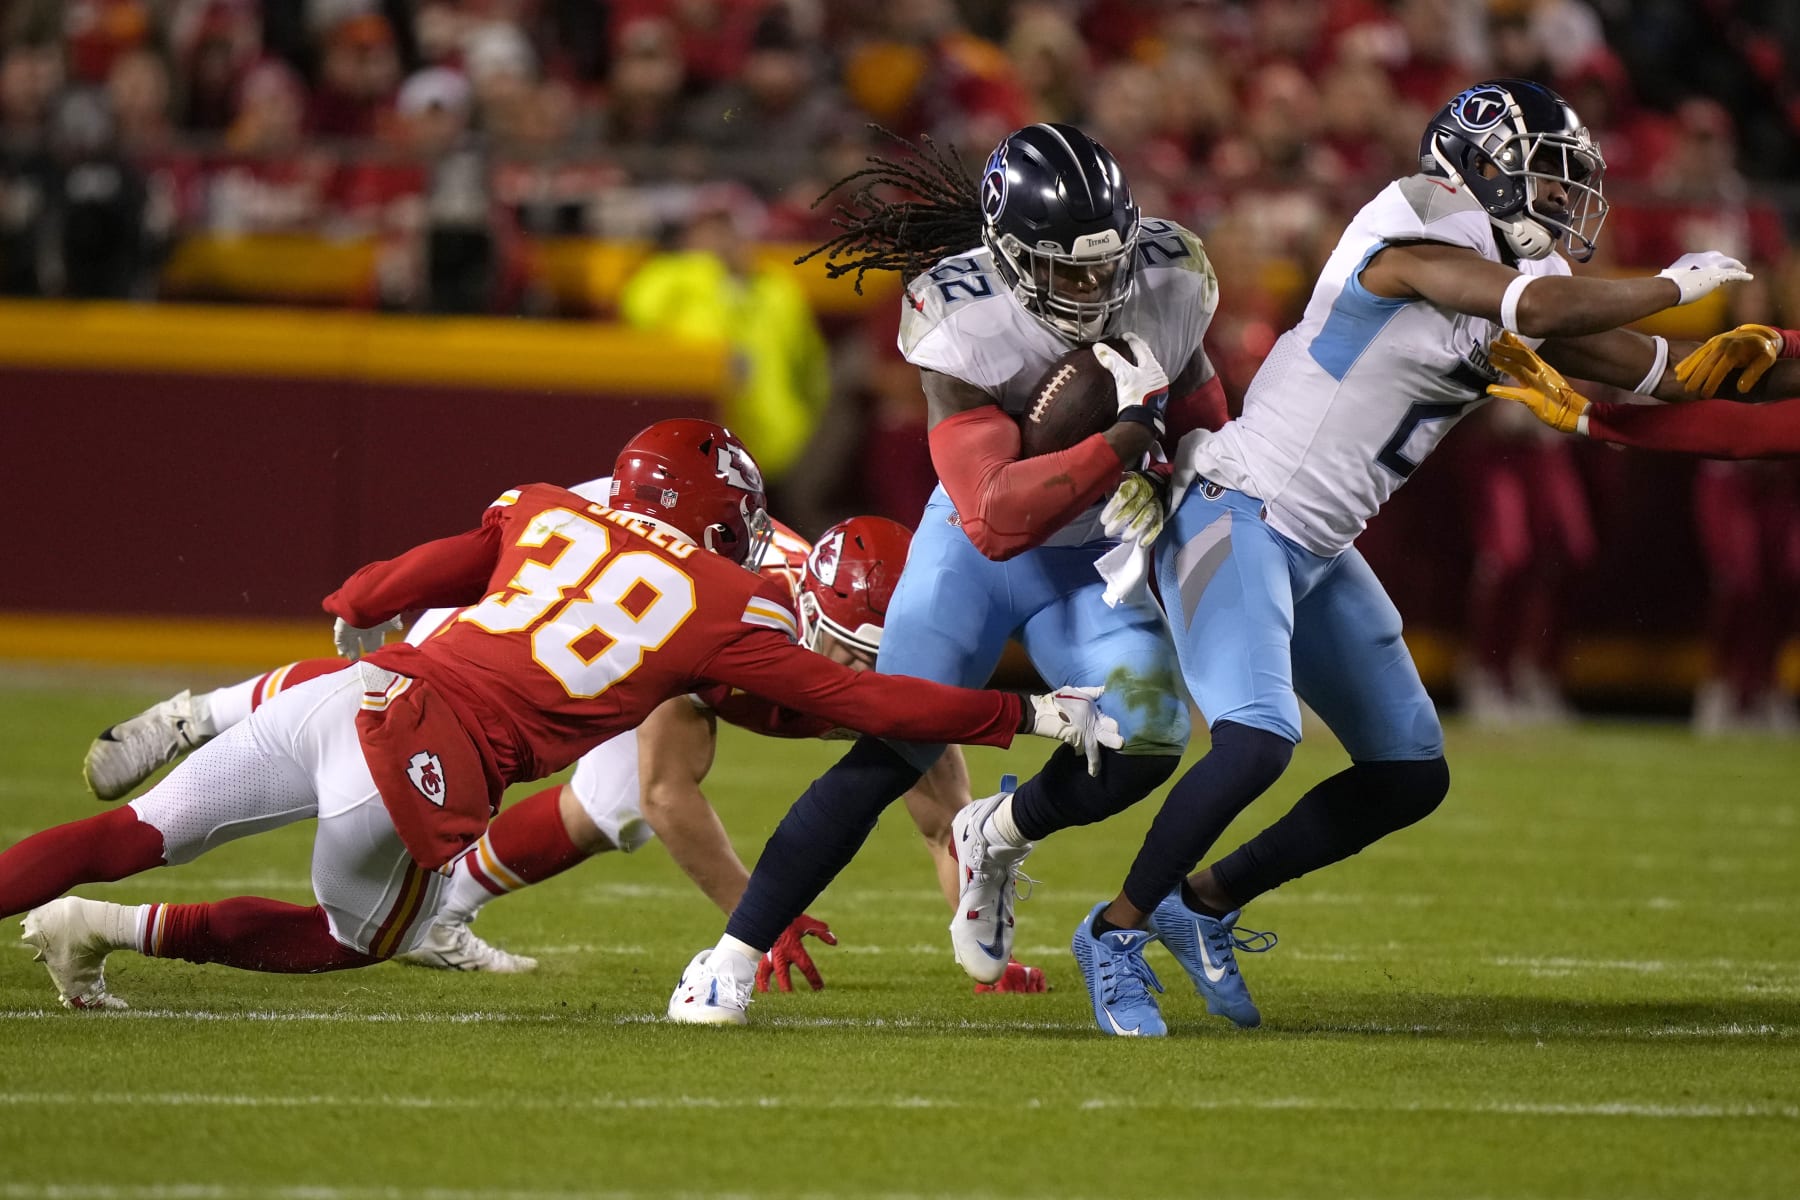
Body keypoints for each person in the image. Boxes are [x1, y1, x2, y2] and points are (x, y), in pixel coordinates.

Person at [1067, 78, 1800, 1037]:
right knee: (1255, 741)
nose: (1565, 202)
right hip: (1235, 511)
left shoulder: (1500, 279)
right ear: (1484, 167)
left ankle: (1200, 902)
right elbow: (1528, 305)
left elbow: (1667, 381)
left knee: (1409, 772)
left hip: (1317, 547)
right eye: (1547, 177)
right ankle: (1113, 933)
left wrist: (1758, 356)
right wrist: (1670, 289)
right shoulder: (1417, 227)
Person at [4, 418, 1114, 1010]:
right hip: (442, 738)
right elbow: (808, 722)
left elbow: (456, 561)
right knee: (361, 933)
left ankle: (205, 776)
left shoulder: (576, 520)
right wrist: (1024, 712)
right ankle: (125, 900)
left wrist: (368, 593)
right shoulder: (735, 604)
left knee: (138, 831)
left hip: (399, 676)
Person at [667, 122, 1230, 1025]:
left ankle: (994, 835)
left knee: (1151, 742)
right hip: (975, 554)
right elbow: (996, 518)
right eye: (1070, 271)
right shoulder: (959, 312)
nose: (1099, 289)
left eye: (1109, 264)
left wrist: (1167, 483)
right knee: (892, 749)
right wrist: (1123, 442)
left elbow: (1205, 419)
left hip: (1093, 558)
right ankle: (728, 957)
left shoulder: (1167, 273)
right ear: (1010, 257)